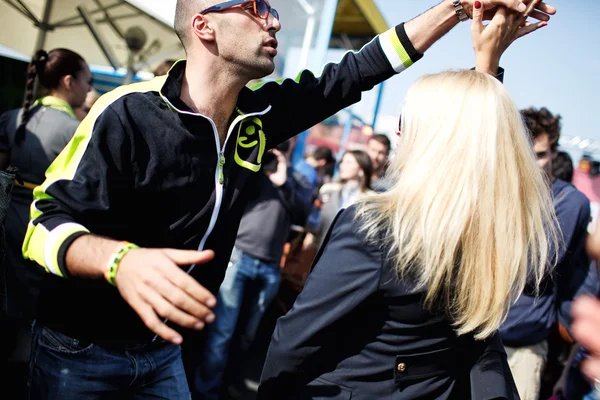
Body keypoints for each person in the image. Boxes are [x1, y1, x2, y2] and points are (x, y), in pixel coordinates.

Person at [20, 0, 555, 398]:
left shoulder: (257, 115)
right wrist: (121, 262)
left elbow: (355, 73)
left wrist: (460, 8)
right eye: (255, 8)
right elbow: (41, 225)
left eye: (272, 9)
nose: (273, 20)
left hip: (162, 353)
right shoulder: (126, 112)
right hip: (80, 348)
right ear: (203, 25)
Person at [257, 4, 557, 399]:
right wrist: (488, 63)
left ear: (424, 138)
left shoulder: (376, 228)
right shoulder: (498, 229)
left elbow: (293, 342)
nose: (397, 132)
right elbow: (477, 138)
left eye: (407, 121)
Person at [0, 47, 92, 398]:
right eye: (87, 81)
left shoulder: (12, 117)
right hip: (45, 234)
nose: (88, 89)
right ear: (69, 82)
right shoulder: (78, 129)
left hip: (6, 224)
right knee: (31, 325)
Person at [195, 139, 312, 398]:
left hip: (270, 266)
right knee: (221, 333)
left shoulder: (299, 180)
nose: (282, 148)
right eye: (280, 144)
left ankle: (230, 384)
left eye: (288, 145)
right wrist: (263, 167)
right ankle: (206, 392)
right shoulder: (255, 167)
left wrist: (285, 180)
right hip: (240, 257)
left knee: (249, 335)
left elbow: (304, 213)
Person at [499, 107, 592, 400]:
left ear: (553, 152)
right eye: (526, 154)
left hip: (522, 341)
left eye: (539, 154)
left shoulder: (570, 201)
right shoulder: (501, 191)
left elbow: (533, 266)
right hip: (476, 335)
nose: (533, 163)